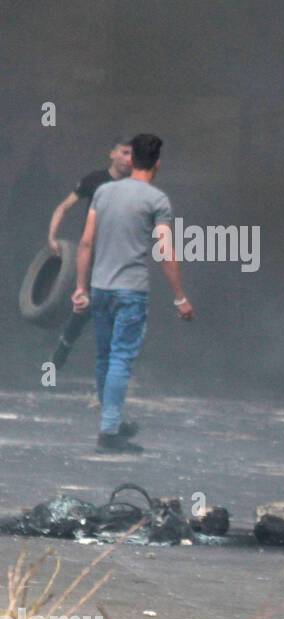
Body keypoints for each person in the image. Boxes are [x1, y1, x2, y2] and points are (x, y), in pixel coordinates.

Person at [71, 133, 194, 454]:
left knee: (104, 356)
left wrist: (80, 287)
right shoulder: (156, 200)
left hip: (100, 288)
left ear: (131, 158)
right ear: (156, 163)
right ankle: (109, 430)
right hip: (130, 291)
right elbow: (166, 251)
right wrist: (180, 296)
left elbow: (86, 242)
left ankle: (111, 419)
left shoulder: (103, 193)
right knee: (121, 359)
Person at [46, 138, 134, 368]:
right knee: (84, 307)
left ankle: (114, 366)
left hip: (120, 257)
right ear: (112, 154)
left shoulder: (136, 186)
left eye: (132, 155)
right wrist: (52, 237)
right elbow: (63, 207)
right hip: (92, 253)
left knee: (121, 308)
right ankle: (62, 350)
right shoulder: (94, 180)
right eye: (124, 152)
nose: (128, 159)